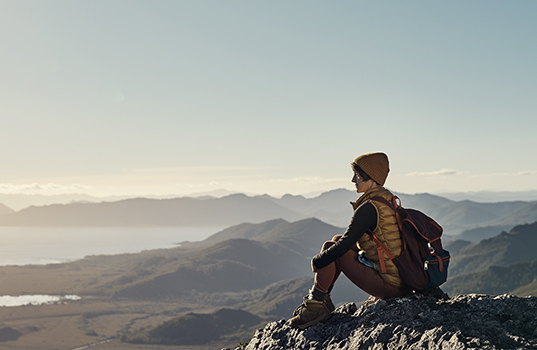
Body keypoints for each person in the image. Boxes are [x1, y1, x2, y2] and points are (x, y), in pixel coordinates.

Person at [289, 152, 411, 329]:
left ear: (371, 178)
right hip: (400, 278)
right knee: (335, 241)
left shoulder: (369, 207)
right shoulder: (387, 199)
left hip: (390, 284)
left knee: (331, 248)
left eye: (358, 175)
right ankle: (323, 302)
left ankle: (315, 306)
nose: (353, 180)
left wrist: (317, 261)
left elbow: (343, 246)